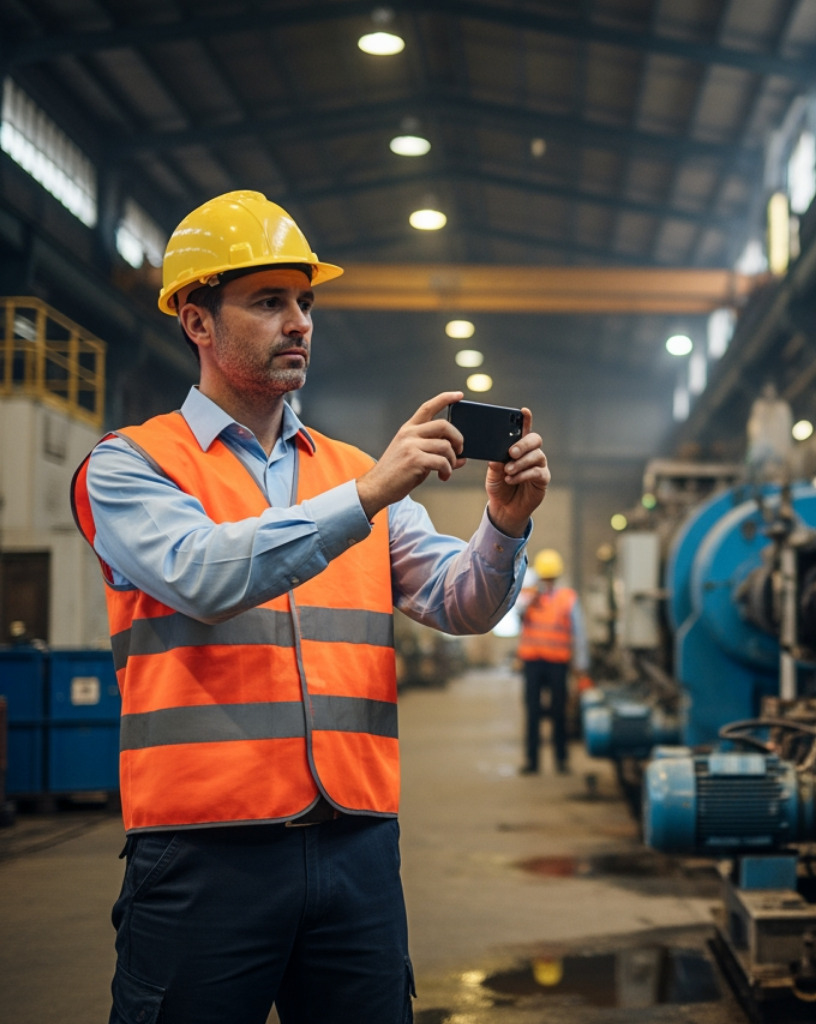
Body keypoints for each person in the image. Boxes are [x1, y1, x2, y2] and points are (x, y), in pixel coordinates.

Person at [70, 190, 549, 1024]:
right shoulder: (130, 467)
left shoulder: (353, 471)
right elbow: (202, 574)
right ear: (198, 322)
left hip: (356, 842)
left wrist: (503, 526)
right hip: (204, 851)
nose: (299, 322)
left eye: (305, 302)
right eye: (267, 302)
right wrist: (364, 497)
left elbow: (458, 600)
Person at [516, 548, 589, 774]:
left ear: (555, 576)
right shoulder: (528, 596)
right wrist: (531, 600)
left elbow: (579, 633)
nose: (546, 581)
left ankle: (561, 759)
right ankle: (532, 761)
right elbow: (516, 614)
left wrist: (581, 666)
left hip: (558, 664)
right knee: (533, 712)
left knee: (559, 712)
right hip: (533, 662)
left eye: (549, 577)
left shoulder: (568, 597)